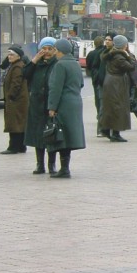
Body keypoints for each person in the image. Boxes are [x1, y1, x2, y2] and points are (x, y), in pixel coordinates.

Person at [46, 38, 86, 178]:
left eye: (55, 50)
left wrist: (52, 107)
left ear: (60, 51)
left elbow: (55, 88)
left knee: (61, 136)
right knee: (68, 135)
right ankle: (65, 167)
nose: (54, 53)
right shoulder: (75, 64)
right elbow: (81, 84)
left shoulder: (60, 65)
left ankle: (64, 169)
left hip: (63, 104)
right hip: (75, 102)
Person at [23, 37, 58, 175]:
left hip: (50, 105)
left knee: (51, 135)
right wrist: (34, 61)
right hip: (36, 105)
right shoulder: (36, 64)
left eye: (50, 49)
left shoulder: (57, 64)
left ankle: (52, 164)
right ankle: (39, 164)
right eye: (44, 49)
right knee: (38, 136)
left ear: (55, 50)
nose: (47, 52)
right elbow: (25, 74)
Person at [99, 34, 137, 142]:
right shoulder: (119, 57)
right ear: (123, 45)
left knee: (110, 107)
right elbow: (132, 66)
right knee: (118, 107)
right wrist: (128, 55)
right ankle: (115, 133)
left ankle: (106, 129)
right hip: (116, 83)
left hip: (111, 82)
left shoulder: (111, 54)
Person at [0, 45, 29, 154]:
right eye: (8, 54)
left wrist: (10, 96)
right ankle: (21, 146)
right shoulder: (16, 65)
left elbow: (16, 83)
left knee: (14, 124)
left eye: (12, 55)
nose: (9, 57)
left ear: (18, 56)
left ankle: (13, 147)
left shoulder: (17, 67)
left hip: (16, 100)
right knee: (19, 123)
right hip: (19, 100)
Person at [85, 35, 105, 125]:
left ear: (94, 44)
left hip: (95, 78)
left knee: (97, 97)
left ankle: (99, 113)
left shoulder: (91, 54)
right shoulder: (105, 52)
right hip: (104, 78)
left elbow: (88, 66)